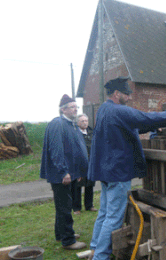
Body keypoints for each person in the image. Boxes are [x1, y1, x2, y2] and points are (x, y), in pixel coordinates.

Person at [87, 76, 166, 260]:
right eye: (127, 94)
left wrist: (157, 126)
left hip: (107, 171)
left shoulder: (104, 109)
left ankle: (94, 248)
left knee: (105, 212)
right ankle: (100, 257)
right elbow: (145, 117)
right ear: (117, 94)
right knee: (114, 217)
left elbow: (130, 127)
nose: (129, 97)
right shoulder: (118, 110)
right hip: (118, 171)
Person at [40, 94, 88, 250]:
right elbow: (56, 150)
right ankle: (68, 241)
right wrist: (63, 172)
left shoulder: (71, 125)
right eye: (72, 107)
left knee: (63, 206)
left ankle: (61, 234)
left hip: (71, 173)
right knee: (64, 207)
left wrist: (78, 171)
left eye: (76, 107)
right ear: (63, 109)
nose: (76, 109)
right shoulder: (57, 124)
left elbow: (74, 151)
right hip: (62, 175)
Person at [71, 114, 97, 214]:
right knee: (77, 186)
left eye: (86, 121)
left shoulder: (91, 132)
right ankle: (76, 208)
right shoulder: (75, 133)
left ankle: (89, 205)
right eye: (82, 121)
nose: (85, 123)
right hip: (79, 164)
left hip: (90, 163)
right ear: (77, 122)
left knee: (90, 185)